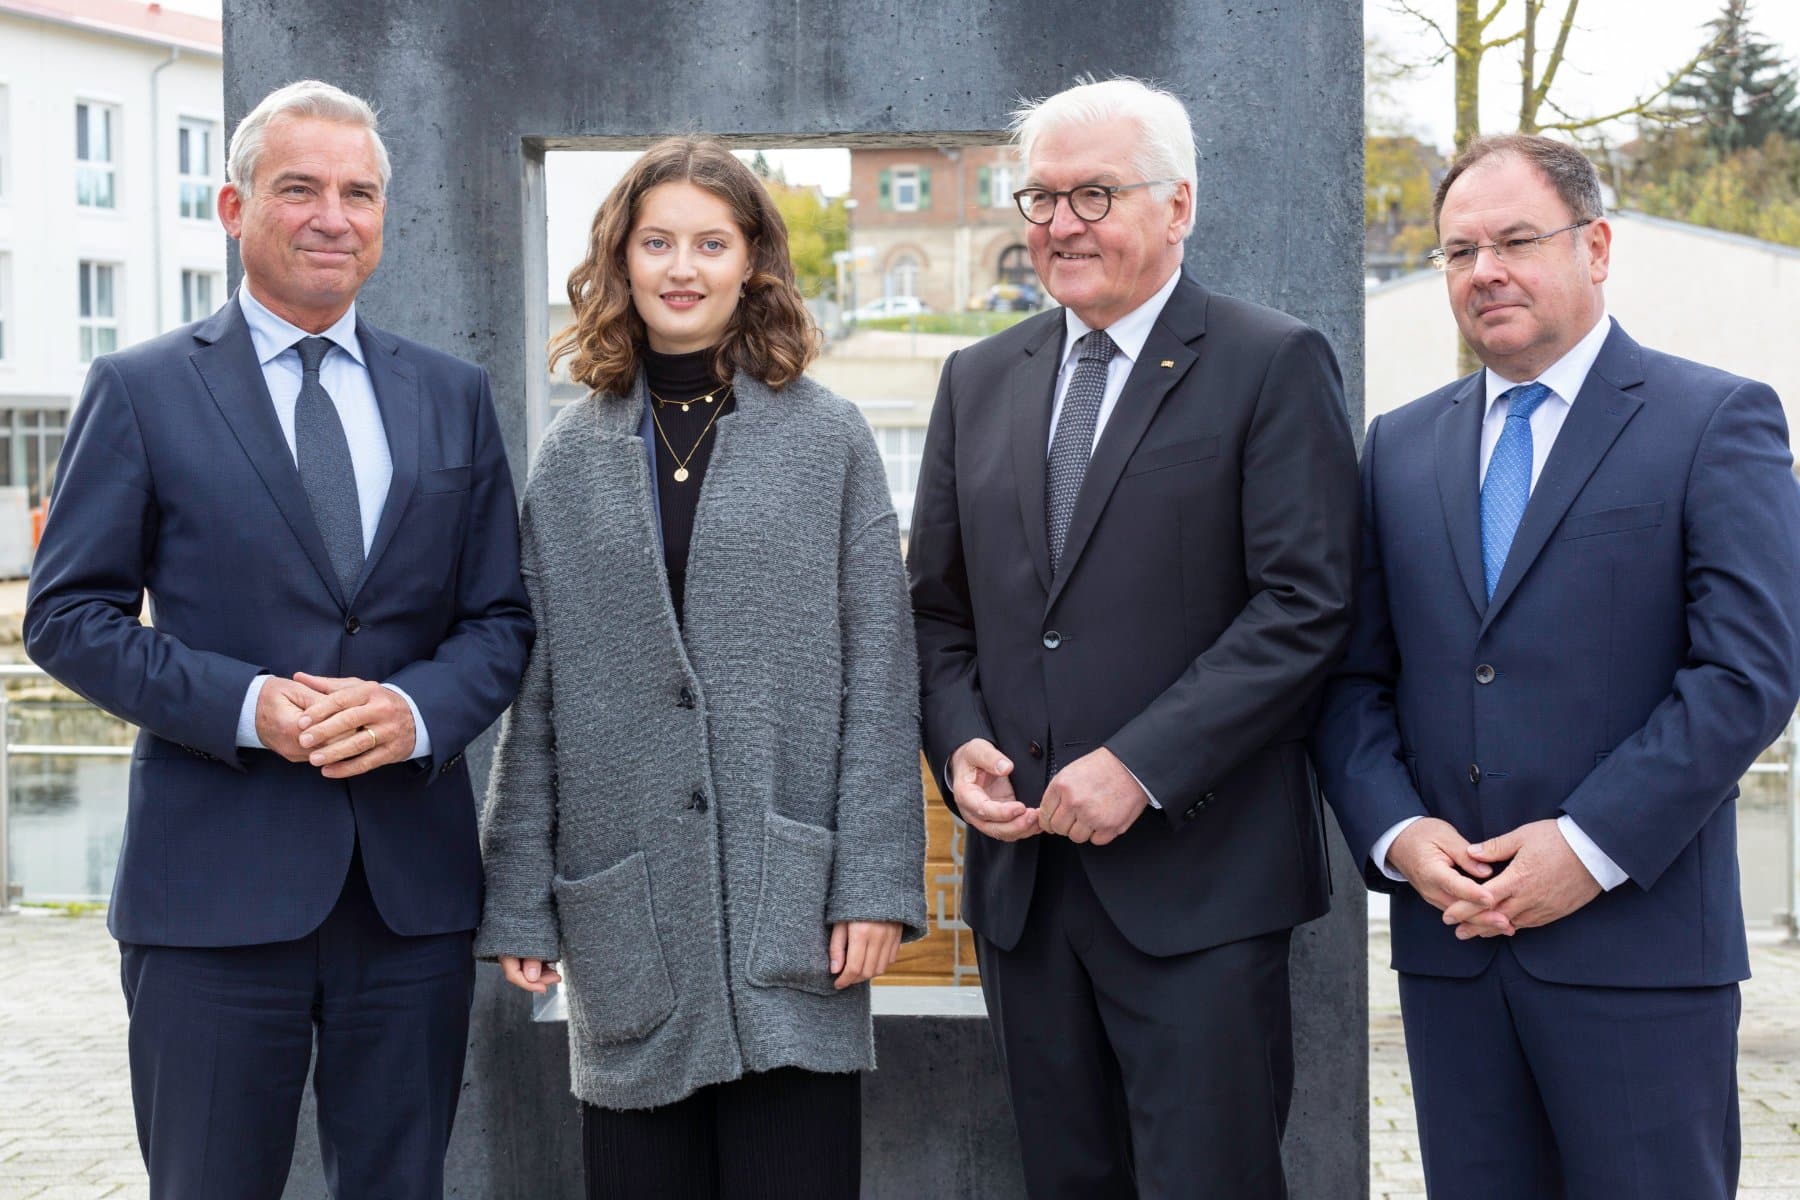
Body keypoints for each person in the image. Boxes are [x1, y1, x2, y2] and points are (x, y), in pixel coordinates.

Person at [23, 80, 533, 1198]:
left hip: (408, 900)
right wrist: (249, 706)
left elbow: (501, 619)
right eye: (299, 189)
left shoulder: (451, 395)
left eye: (359, 194)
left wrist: (414, 712)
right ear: (234, 206)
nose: (332, 218)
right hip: (209, 896)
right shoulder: (141, 388)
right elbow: (66, 617)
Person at [1312, 133, 1800, 1199]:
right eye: (1459, 251)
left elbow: (1748, 674)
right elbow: (1351, 681)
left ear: (1598, 246)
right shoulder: (1398, 447)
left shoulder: (1716, 419)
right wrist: (1398, 836)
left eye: (1516, 241)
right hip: (1452, 954)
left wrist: (1587, 846)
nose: (1484, 271)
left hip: (1639, 955)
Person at [908, 77, 1359, 1198]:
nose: (1061, 224)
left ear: (1178, 205)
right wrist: (959, 743)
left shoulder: (1271, 362)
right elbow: (937, 610)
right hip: (1026, 891)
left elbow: (1303, 606)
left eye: (1095, 195)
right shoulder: (977, 379)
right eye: (1042, 198)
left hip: (1201, 887)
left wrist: (1140, 767)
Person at [474, 135, 926, 1200]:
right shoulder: (570, 458)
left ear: (752, 259)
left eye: (711, 243)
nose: (683, 268)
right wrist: (520, 897)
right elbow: (538, 698)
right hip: (630, 914)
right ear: (621, 259)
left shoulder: (829, 438)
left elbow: (882, 674)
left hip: (793, 909)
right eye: (658, 242)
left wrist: (872, 882)